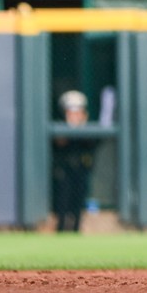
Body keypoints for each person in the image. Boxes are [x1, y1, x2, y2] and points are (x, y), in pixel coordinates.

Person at [51, 90, 99, 233]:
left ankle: (76, 228)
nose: (75, 115)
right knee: (62, 200)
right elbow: (59, 143)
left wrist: (81, 126)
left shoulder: (88, 129)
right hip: (63, 171)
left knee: (78, 201)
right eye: (71, 112)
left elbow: (92, 143)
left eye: (78, 111)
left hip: (81, 170)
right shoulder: (59, 127)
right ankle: (60, 228)